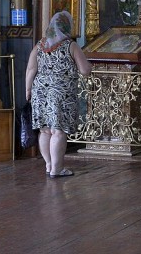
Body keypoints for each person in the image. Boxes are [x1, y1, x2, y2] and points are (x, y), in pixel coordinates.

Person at [24, 11, 91, 178]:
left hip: (40, 92)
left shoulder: (40, 45)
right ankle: (57, 168)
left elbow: (31, 69)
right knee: (58, 131)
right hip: (61, 94)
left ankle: (48, 165)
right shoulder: (70, 45)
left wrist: (28, 90)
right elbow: (85, 70)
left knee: (45, 131)